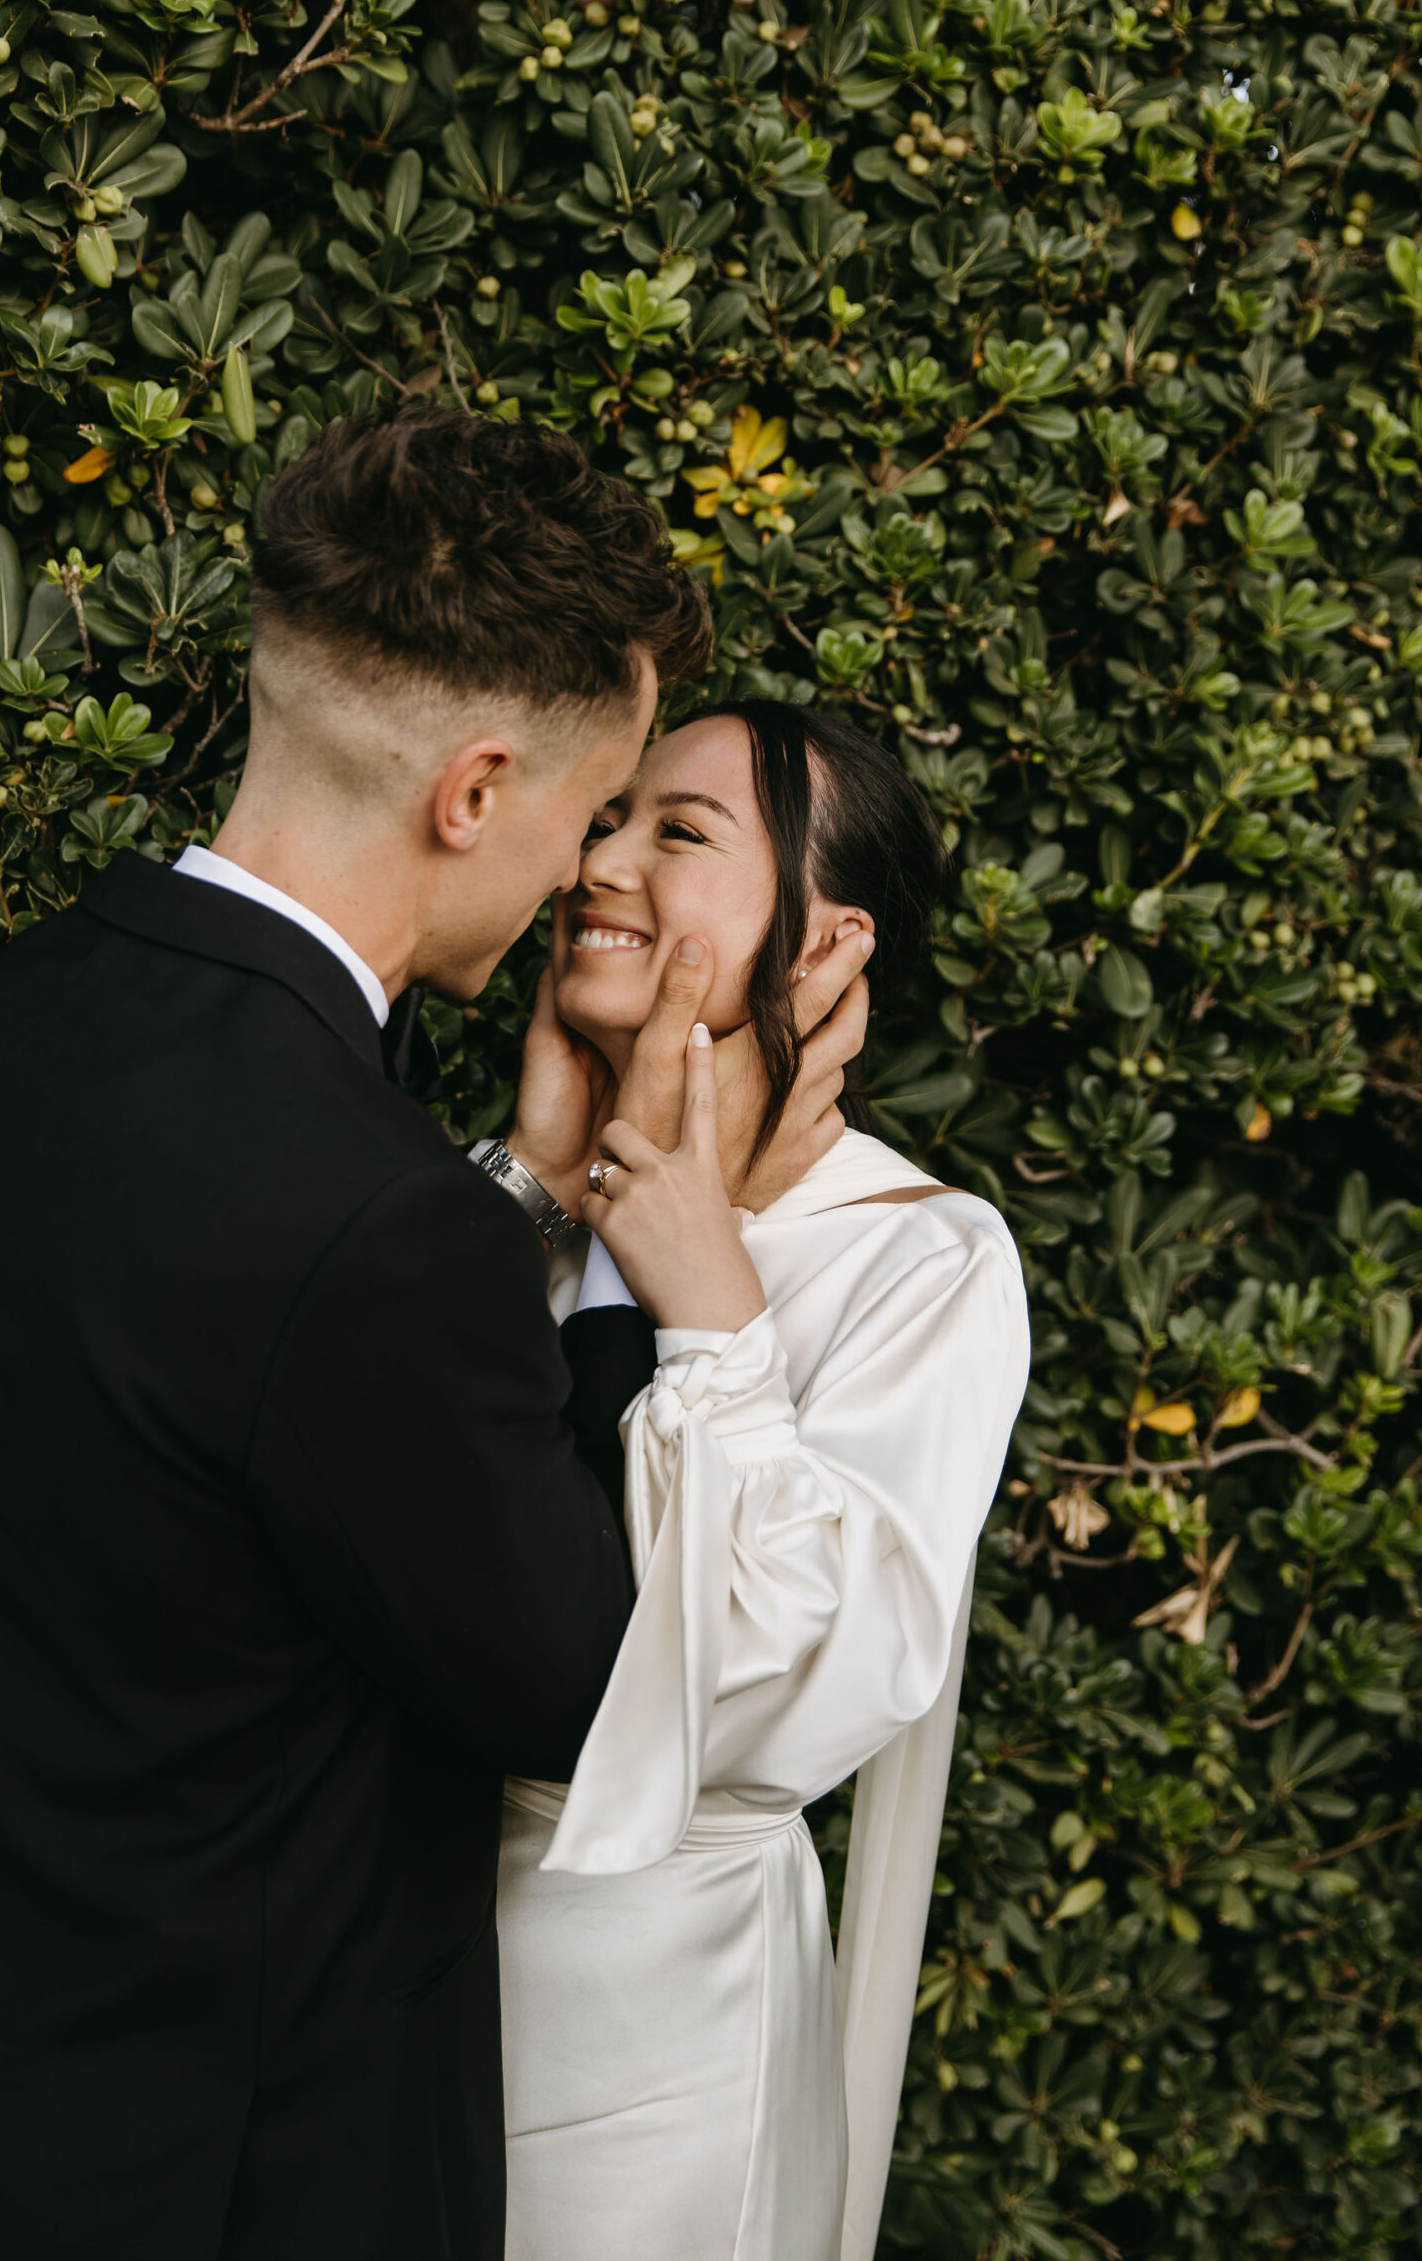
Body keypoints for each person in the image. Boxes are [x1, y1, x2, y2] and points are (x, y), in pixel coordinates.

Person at [0, 415, 868, 2261]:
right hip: (231, 2170)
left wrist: (516, 1196)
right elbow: (579, 1689)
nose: (577, 876)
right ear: (470, 791)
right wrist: (636, 1239)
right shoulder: (379, 1224)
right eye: (581, 809)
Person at [492, 701, 1033, 2261]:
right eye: (610, 817)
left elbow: (820, 1676)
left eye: (679, 830)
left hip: (659, 2033)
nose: (601, 858)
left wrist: (710, 1309)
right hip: (391, 1961)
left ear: (823, 943)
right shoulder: (529, 1202)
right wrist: (532, 1192)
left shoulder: (923, 1257)